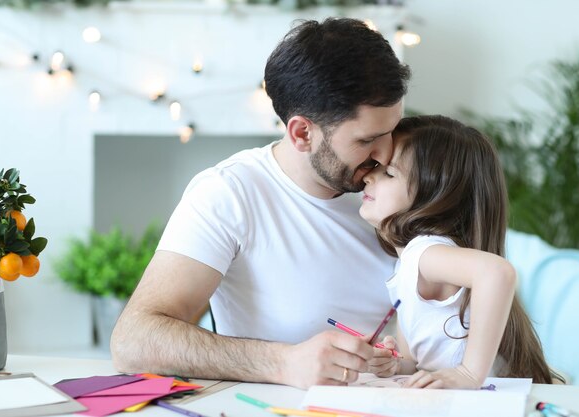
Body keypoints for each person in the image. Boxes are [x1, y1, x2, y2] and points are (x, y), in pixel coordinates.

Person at [111, 18, 411, 389]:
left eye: (393, 130)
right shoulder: (229, 193)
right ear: (302, 133)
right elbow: (133, 340)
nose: (386, 154)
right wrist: (283, 362)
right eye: (367, 140)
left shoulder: (408, 179)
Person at [361, 115, 560, 388]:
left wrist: (469, 373)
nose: (369, 175)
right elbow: (415, 359)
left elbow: (498, 272)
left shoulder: (425, 253)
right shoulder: (407, 265)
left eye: (389, 173)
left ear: (434, 197)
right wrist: (396, 363)